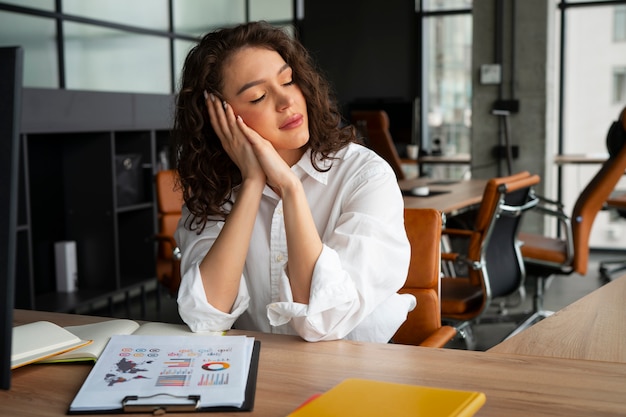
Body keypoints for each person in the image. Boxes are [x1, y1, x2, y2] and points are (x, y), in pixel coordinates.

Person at [172, 21, 415, 343]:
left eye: (288, 81)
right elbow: (206, 317)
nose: (286, 101)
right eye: (258, 97)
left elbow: (324, 321)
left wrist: (290, 189)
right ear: (219, 118)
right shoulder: (213, 191)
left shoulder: (365, 175)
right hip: (260, 371)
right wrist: (252, 183)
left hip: (360, 374)